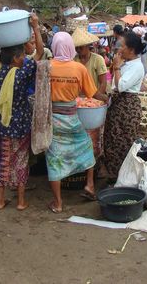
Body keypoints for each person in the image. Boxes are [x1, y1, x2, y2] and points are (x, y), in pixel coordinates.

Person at [0, 13, 44, 211]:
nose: (23, 58)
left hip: (1, 125)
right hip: (20, 125)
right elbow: (40, 53)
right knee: (21, 161)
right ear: (17, 58)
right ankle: (20, 201)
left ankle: (0, 201)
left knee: (3, 159)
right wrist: (35, 27)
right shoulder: (21, 73)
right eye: (21, 56)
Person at [46, 31, 107, 213]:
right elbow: (93, 94)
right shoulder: (79, 68)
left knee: (54, 158)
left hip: (53, 120)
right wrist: (106, 99)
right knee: (86, 146)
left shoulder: (46, 66)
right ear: (71, 47)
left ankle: (57, 203)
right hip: (72, 118)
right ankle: (89, 184)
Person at [103, 33, 145, 180]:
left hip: (127, 107)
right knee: (112, 139)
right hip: (118, 105)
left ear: (132, 49)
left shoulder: (137, 66)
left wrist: (116, 68)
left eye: (122, 46)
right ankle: (113, 175)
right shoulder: (126, 63)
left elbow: (121, 86)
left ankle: (121, 177)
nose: (119, 49)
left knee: (122, 141)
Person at [72, 27, 107, 94]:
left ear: (88, 46)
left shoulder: (98, 59)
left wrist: (96, 99)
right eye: (76, 47)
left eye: (81, 47)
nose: (78, 50)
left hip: (94, 95)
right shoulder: (74, 60)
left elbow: (103, 82)